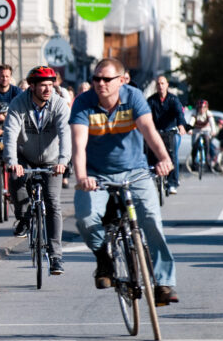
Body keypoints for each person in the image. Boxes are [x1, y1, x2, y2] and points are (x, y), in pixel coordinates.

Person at [70, 58, 179, 306]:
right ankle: (103, 259)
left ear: (122, 80)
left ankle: (163, 282)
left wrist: (164, 159)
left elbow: (149, 131)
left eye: (107, 79)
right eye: (96, 78)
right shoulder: (83, 103)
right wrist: (81, 178)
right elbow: (78, 146)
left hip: (135, 172)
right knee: (86, 220)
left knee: (150, 219)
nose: (100, 84)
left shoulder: (134, 98)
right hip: (95, 175)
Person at [2, 66, 71, 275]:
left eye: (51, 85)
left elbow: (65, 133)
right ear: (32, 86)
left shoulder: (59, 104)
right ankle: (23, 217)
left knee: (52, 202)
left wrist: (63, 160)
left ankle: (56, 256)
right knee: (15, 180)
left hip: (52, 161)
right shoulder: (18, 103)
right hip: (24, 156)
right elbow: (10, 133)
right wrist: (13, 161)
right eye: (43, 85)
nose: (48, 89)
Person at [146, 76, 187, 195]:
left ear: (167, 85)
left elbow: (179, 113)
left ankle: (172, 183)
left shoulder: (173, 99)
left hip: (170, 132)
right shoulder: (151, 100)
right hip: (156, 132)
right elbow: (146, 115)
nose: (160, 86)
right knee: (151, 155)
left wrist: (181, 125)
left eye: (162, 83)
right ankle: (152, 179)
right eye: (158, 84)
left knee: (172, 156)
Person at [188, 99, 217, 168]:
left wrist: (213, 131)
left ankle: (207, 158)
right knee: (194, 145)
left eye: (204, 108)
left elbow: (212, 123)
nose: (201, 109)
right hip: (196, 130)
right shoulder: (195, 113)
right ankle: (193, 161)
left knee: (207, 141)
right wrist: (189, 129)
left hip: (206, 130)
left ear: (206, 108)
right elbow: (191, 122)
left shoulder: (209, 113)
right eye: (200, 108)